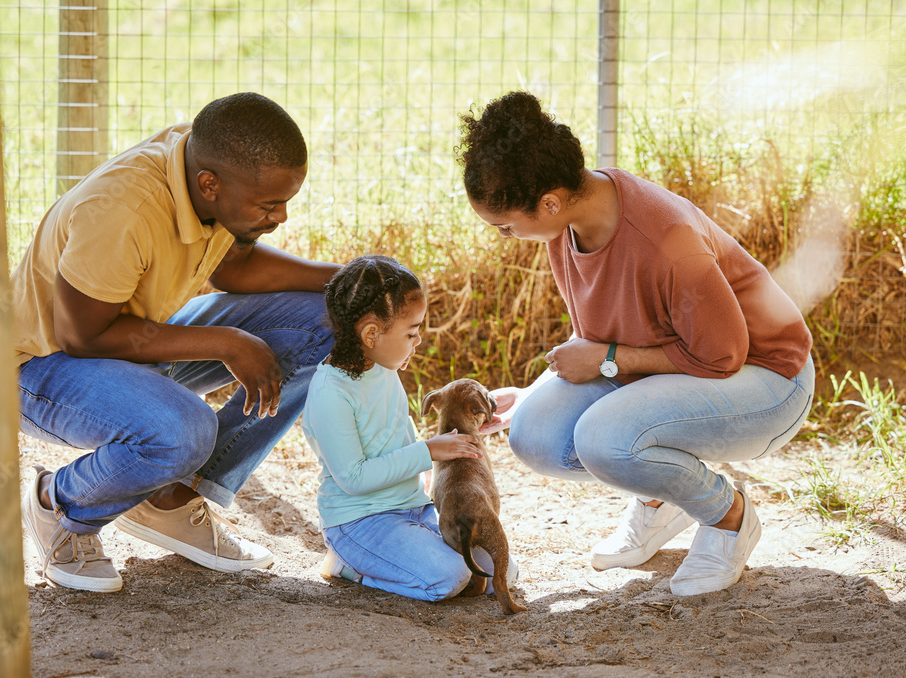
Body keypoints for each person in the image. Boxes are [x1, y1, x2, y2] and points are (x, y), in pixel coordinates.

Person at [457, 91, 814, 596]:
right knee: (534, 434)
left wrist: (604, 360)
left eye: (507, 226)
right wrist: (537, 390)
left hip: (768, 378)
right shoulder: (568, 226)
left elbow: (721, 355)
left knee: (605, 440)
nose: (506, 237)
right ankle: (659, 497)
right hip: (686, 367)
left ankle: (729, 517)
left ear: (549, 202)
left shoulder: (665, 237)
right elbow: (609, 335)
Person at [14, 92, 341, 593]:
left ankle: (168, 497)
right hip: (37, 366)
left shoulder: (202, 172)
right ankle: (61, 505)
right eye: (269, 205)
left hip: (122, 342)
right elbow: (81, 336)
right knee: (184, 429)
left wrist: (345, 281)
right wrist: (228, 342)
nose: (281, 217)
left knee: (327, 317)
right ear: (210, 185)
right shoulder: (122, 209)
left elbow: (233, 265)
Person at [301, 255, 517, 602]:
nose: (417, 341)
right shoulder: (331, 393)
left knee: (497, 573)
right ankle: (348, 565)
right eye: (411, 332)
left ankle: (407, 555)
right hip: (361, 522)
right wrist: (428, 451)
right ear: (372, 333)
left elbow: (393, 436)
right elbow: (353, 478)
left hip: (413, 508)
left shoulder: (384, 366)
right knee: (450, 579)